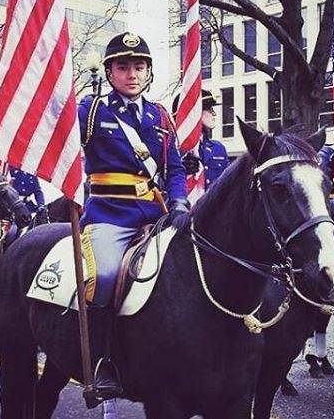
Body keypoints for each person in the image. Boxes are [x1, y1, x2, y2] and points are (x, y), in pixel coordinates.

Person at [78, 32, 188, 403]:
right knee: (105, 276)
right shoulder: (91, 111)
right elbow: (60, 145)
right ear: (110, 72)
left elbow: (174, 169)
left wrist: (180, 202)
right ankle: (103, 361)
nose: (132, 74)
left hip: (156, 215)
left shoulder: (160, 115)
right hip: (110, 215)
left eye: (139, 66)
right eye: (123, 67)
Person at [172, 89, 229, 189]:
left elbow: (229, 185)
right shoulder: (171, 149)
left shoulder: (218, 149)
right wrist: (178, 170)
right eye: (210, 109)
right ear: (194, 112)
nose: (214, 114)